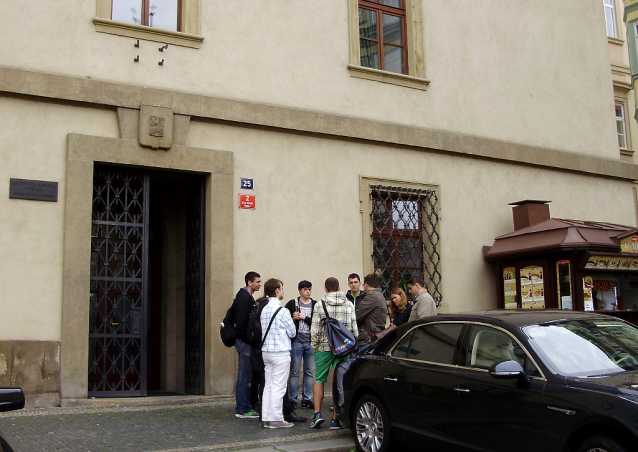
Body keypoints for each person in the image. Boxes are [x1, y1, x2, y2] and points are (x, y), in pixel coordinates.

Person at [309, 277, 357, 430]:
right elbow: (354, 329)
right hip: (342, 349)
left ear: (325, 289)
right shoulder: (348, 304)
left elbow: (315, 330)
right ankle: (336, 419)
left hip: (323, 347)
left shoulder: (319, 305)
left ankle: (317, 414)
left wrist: (315, 347)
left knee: (319, 379)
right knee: (339, 382)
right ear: (339, 288)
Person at [260, 279, 297, 429]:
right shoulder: (283, 311)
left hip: (266, 351)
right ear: (276, 290)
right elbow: (292, 332)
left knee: (268, 385)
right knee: (278, 387)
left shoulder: (264, 309)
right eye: (281, 288)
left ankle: (267, 417)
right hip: (280, 352)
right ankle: (275, 418)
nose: (282, 291)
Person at [232, 271, 262, 419]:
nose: (260, 284)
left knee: (246, 375)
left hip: (245, 342)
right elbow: (242, 325)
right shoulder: (244, 299)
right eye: (257, 282)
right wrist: (250, 340)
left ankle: (244, 406)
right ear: (249, 282)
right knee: (244, 376)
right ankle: (243, 408)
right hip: (244, 342)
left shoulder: (246, 297)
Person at [285, 280, 316, 409]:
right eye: (305, 290)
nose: (307, 292)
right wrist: (293, 319)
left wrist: (304, 317)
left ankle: (306, 398)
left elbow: (317, 322)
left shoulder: (315, 304)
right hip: (296, 342)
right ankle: (292, 399)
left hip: (310, 342)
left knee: (309, 372)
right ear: (300, 291)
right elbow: (285, 321)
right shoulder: (292, 303)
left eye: (309, 289)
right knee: (294, 372)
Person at [355, 273, 387, 344]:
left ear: (366, 285)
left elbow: (357, 315)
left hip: (369, 338)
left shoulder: (372, 296)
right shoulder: (379, 295)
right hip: (376, 334)